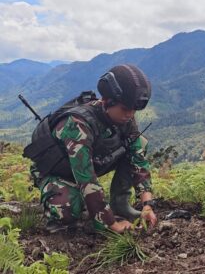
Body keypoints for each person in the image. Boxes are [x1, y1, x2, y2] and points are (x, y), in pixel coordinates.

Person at [25, 64, 157, 233]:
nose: (130, 115)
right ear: (108, 101)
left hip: (90, 166)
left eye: (133, 110)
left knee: (138, 143)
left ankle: (120, 204)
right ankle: (59, 198)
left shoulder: (125, 119)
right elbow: (86, 179)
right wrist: (112, 225)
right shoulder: (78, 125)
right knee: (68, 211)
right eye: (125, 109)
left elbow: (137, 159)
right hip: (56, 172)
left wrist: (147, 204)